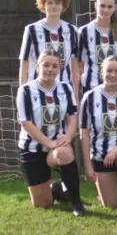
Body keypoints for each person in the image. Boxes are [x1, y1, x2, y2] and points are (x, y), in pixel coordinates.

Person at [16, 49, 84, 216]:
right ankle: (58, 187)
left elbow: (72, 117)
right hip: (32, 148)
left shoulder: (66, 88)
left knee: (65, 153)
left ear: (59, 69)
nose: (50, 69)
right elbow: (26, 123)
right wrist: (48, 143)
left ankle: (77, 203)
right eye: (46, 65)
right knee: (42, 204)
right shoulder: (25, 90)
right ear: (37, 66)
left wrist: (68, 137)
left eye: (55, 66)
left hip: (57, 146)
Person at [79, 56, 117, 217]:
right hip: (101, 156)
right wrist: (87, 166)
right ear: (102, 73)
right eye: (109, 71)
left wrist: (115, 151)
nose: (113, 75)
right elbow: (84, 134)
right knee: (111, 205)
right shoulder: (90, 97)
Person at [19, 0, 80, 104]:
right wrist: (23, 92)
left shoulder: (72, 30)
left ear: (63, 6)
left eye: (57, 3)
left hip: (62, 90)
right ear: (43, 5)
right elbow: (24, 62)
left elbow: (74, 64)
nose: (54, 6)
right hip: (36, 90)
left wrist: (76, 94)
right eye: (50, 3)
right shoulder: (31, 30)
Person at [78, 0, 117, 93]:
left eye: (109, 6)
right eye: (102, 6)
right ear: (95, 6)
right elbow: (79, 64)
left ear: (115, 7)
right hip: (92, 87)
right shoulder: (84, 31)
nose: (105, 10)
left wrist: (114, 78)